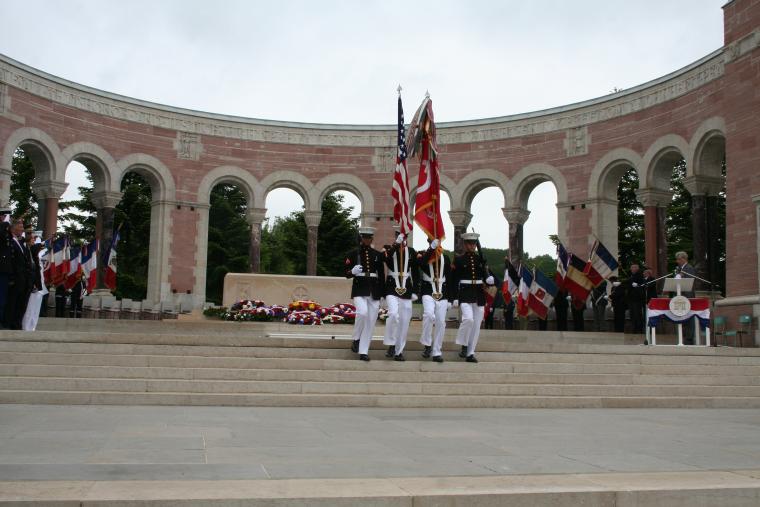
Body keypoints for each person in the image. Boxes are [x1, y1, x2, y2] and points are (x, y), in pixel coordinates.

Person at [451, 232, 494, 363]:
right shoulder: (458, 259)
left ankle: (470, 352)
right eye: (470, 243)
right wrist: (454, 297)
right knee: (468, 319)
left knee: (476, 325)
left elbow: (485, 275)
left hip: (478, 295)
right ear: (465, 244)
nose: (472, 246)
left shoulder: (480, 259)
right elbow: (454, 280)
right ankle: (463, 344)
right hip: (464, 293)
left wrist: (488, 278)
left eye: (474, 243)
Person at [344, 227, 384, 361]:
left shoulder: (377, 255)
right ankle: (356, 338)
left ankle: (364, 351)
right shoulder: (353, 254)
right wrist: (352, 272)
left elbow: (381, 276)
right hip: (359, 289)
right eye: (364, 238)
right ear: (361, 239)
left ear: (371, 239)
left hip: (374, 291)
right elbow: (346, 274)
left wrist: (382, 293)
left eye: (369, 238)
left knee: (371, 322)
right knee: (362, 313)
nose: (367, 240)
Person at [381, 230, 417, 361]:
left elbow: (416, 271)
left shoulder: (411, 251)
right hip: (391, 287)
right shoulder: (389, 248)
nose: (403, 239)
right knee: (393, 314)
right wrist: (396, 244)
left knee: (404, 320)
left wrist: (415, 291)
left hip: (406, 289)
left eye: (404, 237)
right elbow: (385, 258)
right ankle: (391, 343)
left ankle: (398, 350)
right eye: (400, 236)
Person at [417, 238, 451, 363]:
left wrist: (451, 299)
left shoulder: (445, 258)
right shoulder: (423, 254)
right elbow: (421, 264)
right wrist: (431, 249)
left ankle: (437, 351)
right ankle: (427, 344)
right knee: (429, 315)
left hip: (443, 292)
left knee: (441, 322)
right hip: (427, 290)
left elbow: (450, 278)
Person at [4, 219, 34, 330]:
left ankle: (17, 324)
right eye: (20, 227)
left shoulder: (20, 242)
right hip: (15, 278)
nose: (22, 230)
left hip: (24, 279)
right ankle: (9, 324)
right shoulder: (10, 241)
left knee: (21, 304)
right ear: (14, 228)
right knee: (12, 303)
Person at [21, 230, 47, 330]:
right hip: (32, 285)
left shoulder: (36, 255)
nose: (34, 240)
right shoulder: (31, 251)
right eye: (33, 238)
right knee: (29, 309)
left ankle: (32, 328)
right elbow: (36, 248)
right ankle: (26, 328)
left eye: (35, 238)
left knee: (35, 310)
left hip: (39, 284)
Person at [674, 251, 697, 344]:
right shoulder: (679, 269)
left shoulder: (689, 268)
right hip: (680, 296)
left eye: (679, 259)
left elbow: (690, 281)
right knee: (682, 316)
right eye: (677, 259)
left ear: (684, 259)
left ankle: (689, 338)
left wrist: (681, 277)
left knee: (689, 317)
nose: (677, 261)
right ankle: (683, 338)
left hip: (688, 295)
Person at [626, 263, 646, 334]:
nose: (632, 269)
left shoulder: (640, 276)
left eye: (633, 268)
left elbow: (643, 285)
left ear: (637, 268)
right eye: (631, 268)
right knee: (632, 315)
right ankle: (634, 328)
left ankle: (639, 329)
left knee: (637, 314)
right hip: (631, 298)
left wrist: (637, 285)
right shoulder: (631, 276)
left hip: (637, 298)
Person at [0, 219, 13, 328]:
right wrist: (4, 225)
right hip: (2, 269)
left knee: (3, 299)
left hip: (5, 271)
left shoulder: (7, 237)